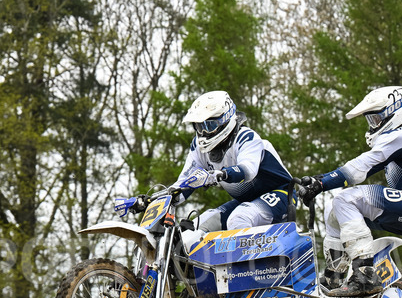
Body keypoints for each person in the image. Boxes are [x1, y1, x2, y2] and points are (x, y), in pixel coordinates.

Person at [298, 86, 402, 297]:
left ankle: (365, 274)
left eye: (376, 119)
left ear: (395, 111)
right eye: (371, 121)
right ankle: (334, 278)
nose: (373, 126)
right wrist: (318, 182)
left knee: (347, 199)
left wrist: (319, 183)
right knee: (333, 207)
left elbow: (358, 169)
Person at [118, 91, 295, 243]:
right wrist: (146, 201)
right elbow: (182, 186)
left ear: (225, 120)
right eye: (199, 126)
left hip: (282, 194)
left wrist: (214, 175)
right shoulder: (199, 148)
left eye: (208, 125)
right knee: (194, 228)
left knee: (239, 218)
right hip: (246, 201)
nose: (203, 133)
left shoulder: (246, 138)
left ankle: (250, 279)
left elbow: (247, 171)